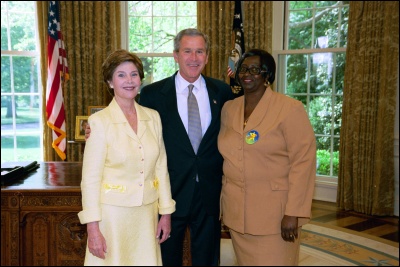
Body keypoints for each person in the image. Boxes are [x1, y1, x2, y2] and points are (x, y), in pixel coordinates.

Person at [139, 28, 235, 266]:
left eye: (200, 51)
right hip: (169, 194)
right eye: (187, 51)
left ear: (208, 56)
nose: (194, 58)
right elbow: (137, 133)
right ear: (175, 55)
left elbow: (238, 131)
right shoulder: (152, 95)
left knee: (208, 259)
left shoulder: (222, 92)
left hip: (209, 195)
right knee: (167, 259)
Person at [218, 49, 316, 266]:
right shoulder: (229, 109)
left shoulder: (290, 109)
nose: (247, 74)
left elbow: (304, 163)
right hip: (237, 214)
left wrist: (294, 213)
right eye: (243, 68)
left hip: (275, 216)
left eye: (255, 69)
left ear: (267, 75)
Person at [78, 49, 176, 266]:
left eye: (134, 74)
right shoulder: (99, 122)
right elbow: (91, 180)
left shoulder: (153, 117)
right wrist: (92, 227)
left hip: (146, 216)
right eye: (121, 75)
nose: (129, 80)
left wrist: (166, 212)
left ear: (140, 79)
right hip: (112, 217)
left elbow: (161, 167)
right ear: (110, 82)